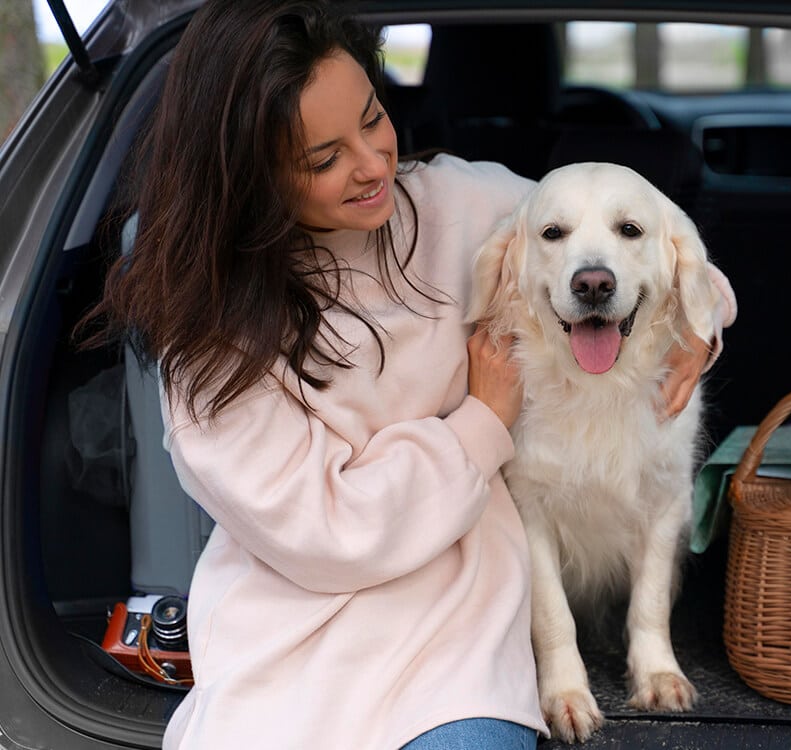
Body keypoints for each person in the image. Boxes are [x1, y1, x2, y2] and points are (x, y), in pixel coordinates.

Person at [76, 1, 736, 748]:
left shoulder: (461, 203)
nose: (371, 165)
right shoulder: (210, 343)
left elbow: (636, 238)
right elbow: (330, 533)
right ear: (250, 176)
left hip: (460, 639)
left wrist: (698, 329)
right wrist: (481, 425)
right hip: (295, 641)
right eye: (324, 158)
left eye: (372, 117)